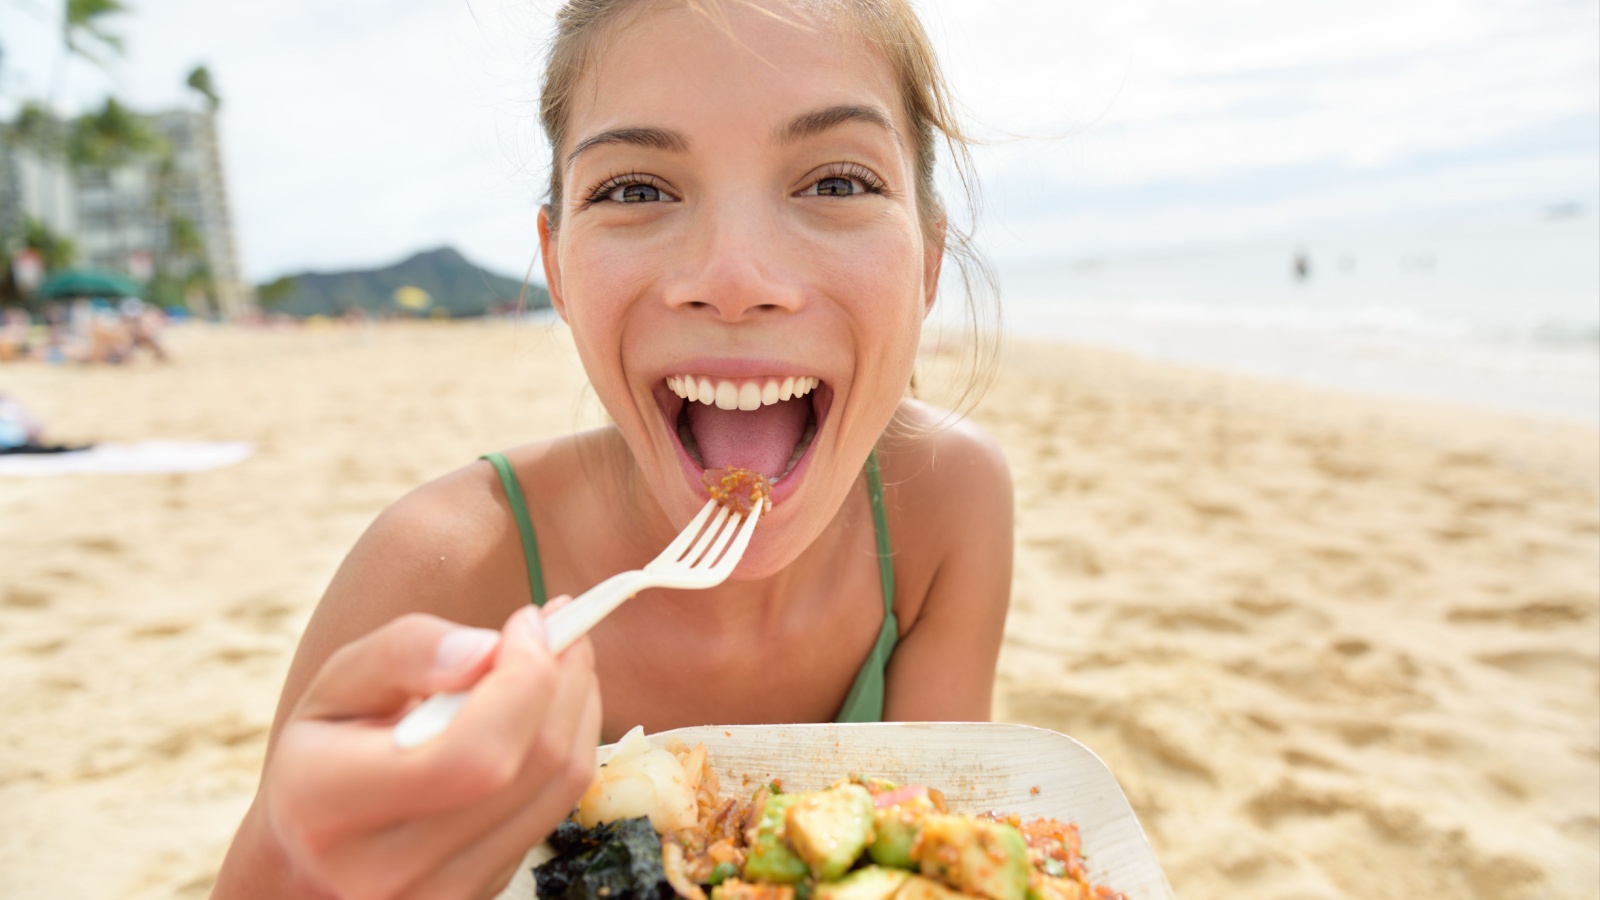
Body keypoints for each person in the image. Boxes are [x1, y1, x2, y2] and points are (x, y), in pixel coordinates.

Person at [212, 0, 1014, 896]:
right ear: (557, 268)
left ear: (931, 258)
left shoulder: (949, 504)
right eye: (636, 190)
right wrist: (293, 863)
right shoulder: (438, 572)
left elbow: (940, 857)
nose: (735, 278)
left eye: (836, 183)